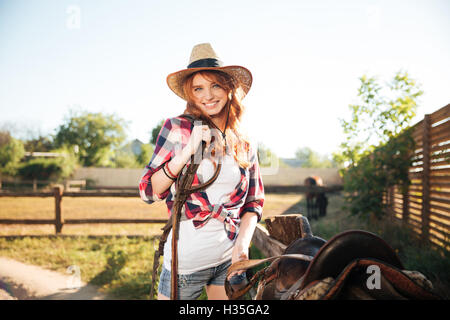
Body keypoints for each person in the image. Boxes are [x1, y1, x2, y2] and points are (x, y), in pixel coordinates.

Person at [139, 43, 264, 300]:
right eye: (199, 88)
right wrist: (188, 150)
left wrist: (242, 244)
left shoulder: (244, 140)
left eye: (215, 85)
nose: (208, 95)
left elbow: (254, 201)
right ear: (191, 94)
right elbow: (148, 191)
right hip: (186, 263)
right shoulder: (177, 128)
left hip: (228, 261)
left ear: (228, 88)